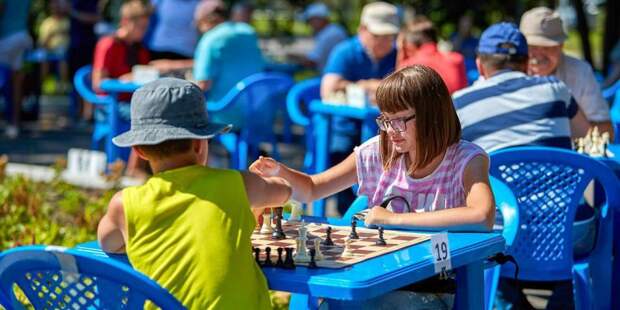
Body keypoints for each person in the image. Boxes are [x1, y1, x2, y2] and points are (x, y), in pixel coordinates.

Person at [251, 65, 494, 308]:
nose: (390, 130)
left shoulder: (466, 159)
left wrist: (395, 219)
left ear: (431, 114)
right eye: (385, 119)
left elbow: (482, 215)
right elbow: (314, 188)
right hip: (381, 278)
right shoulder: (378, 151)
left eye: (400, 120)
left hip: (434, 284)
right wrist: (280, 172)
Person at [97, 78, 291, 309]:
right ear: (200, 144)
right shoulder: (236, 183)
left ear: (139, 151)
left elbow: (107, 242)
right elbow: (284, 190)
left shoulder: (124, 204)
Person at [454, 22, 590, 153]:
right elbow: (586, 136)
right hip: (558, 177)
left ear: (479, 66)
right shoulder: (555, 88)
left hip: (492, 177)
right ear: (527, 63)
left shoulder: (459, 103)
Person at [320, 1, 400, 214]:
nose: (385, 42)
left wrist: (361, 86)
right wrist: (372, 86)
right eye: (378, 36)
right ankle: (349, 213)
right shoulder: (345, 51)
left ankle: (380, 209)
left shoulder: (397, 53)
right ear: (362, 30)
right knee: (341, 152)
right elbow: (328, 89)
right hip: (343, 126)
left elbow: (405, 89)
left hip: (384, 126)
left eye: (389, 36)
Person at [520, 7, 612, 139]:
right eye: (531, 47)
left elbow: (607, 130)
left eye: (547, 47)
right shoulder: (510, 71)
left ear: (561, 46)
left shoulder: (580, 72)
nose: (538, 55)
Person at [397, 15, 467, 94]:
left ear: (409, 44)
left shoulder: (409, 66)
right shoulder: (457, 59)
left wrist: (400, 53)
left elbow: (397, 92)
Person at [0, 0, 33, 138]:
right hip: (23, 37)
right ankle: (14, 124)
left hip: (6, 39)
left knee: (5, 83)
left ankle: (11, 123)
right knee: (16, 85)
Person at [291, 3, 347, 72]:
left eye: (311, 20)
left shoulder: (329, 34)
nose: (310, 24)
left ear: (319, 19)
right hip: (334, 74)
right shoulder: (333, 30)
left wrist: (295, 60)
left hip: (331, 76)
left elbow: (312, 62)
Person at [38, 0, 70, 94]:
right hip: (50, 53)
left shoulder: (69, 22)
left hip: (66, 53)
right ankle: (44, 87)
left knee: (63, 60)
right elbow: (42, 43)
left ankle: (63, 87)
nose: (56, 9)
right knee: (44, 61)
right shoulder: (46, 23)